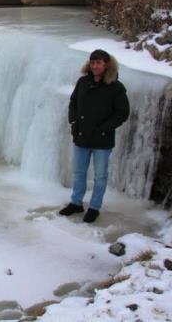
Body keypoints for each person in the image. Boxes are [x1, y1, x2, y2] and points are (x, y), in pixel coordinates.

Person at [59, 49, 130, 223]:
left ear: (106, 65)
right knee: (79, 172)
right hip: (82, 136)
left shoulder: (115, 87)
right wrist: (74, 123)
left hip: (102, 139)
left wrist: (104, 128)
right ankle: (76, 203)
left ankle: (94, 207)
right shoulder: (83, 82)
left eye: (98, 63)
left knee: (100, 176)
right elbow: (73, 103)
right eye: (92, 63)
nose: (95, 66)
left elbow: (122, 113)